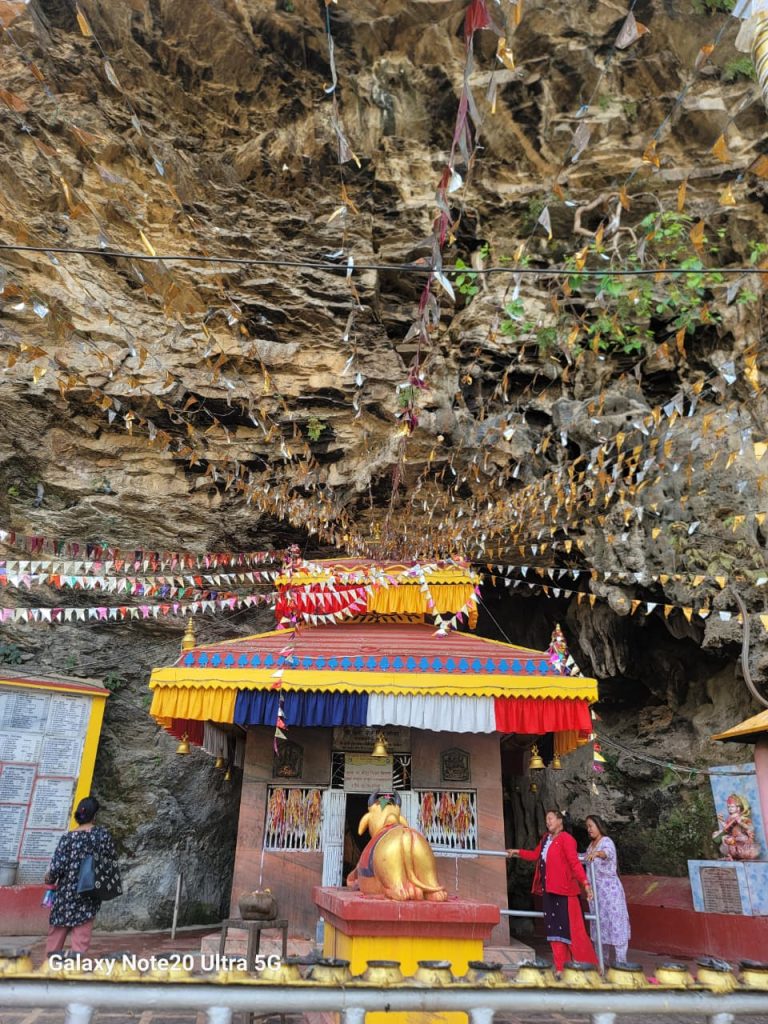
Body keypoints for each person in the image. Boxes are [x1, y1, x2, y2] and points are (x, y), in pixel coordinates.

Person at [508, 809, 597, 974]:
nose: (547, 822)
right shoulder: (545, 839)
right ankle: (561, 968)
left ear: (560, 821)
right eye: (546, 819)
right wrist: (517, 852)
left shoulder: (567, 839)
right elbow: (535, 855)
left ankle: (587, 968)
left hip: (565, 892)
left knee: (573, 932)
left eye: (550, 818)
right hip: (549, 891)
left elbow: (574, 863)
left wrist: (585, 883)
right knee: (554, 932)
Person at [44, 796, 120, 956]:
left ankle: (50, 970)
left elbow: (57, 868)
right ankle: (75, 970)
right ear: (95, 816)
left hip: (65, 897)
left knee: (55, 937)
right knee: (81, 939)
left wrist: (49, 880)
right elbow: (112, 858)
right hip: (88, 893)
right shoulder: (101, 835)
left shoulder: (67, 838)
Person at [585, 814, 631, 965]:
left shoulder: (606, 842)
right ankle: (601, 964)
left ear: (599, 826)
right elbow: (584, 859)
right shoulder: (590, 846)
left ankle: (621, 963)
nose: (589, 829)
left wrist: (598, 853)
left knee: (616, 925)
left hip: (610, 893)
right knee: (599, 927)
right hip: (596, 894)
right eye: (587, 827)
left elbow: (607, 853)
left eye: (591, 826)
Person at [712, 793, 760, 861]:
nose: (730, 809)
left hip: (742, 839)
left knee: (749, 849)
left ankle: (742, 855)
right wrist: (721, 821)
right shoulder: (730, 818)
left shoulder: (743, 818)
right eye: (728, 807)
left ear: (738, 808)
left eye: (732, 807)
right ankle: (731, 856)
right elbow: (728, 829)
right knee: (723, 839)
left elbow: (750, 828)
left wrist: (740, 822)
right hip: (733, 840)